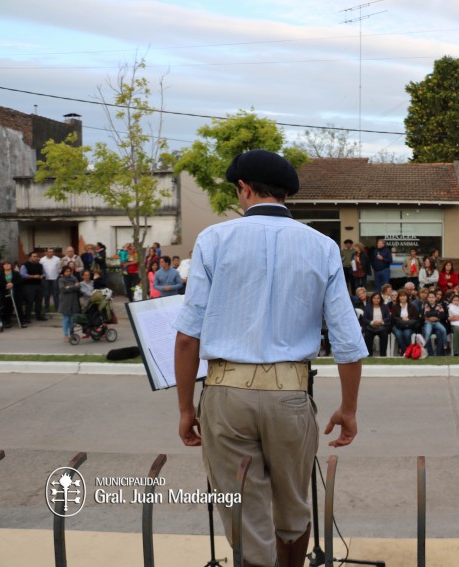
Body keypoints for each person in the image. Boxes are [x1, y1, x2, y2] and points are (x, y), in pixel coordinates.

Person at [173, 149, 366, 567]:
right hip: (290, 396)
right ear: (285, 194)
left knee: (245, 516)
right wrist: (348, 409)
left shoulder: (213, 239)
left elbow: (187, 338)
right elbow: (348, 342)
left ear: (244, 189)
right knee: (294, 510)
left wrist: (186, 408)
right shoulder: (322, 246)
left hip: (226, 395)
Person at [390, 289, 419, 355]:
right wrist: (401, 318)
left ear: (407, 297)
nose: (402, 297)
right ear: (398, 297)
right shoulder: (395, 306)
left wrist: (408, 318)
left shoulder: (412, 306)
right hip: (397, 325)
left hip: (408, 325)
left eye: (404, 296)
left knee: (407, 334)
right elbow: (393, 317)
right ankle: (406, 351)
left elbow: (415, 317)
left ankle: (403, 351)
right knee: (399, 334)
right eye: (401, 296)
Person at [362, 291, 391, 356]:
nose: (376, 300)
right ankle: (369, 355)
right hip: (371, 327)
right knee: (368, 335)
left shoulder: (385, 306)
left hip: (382, 327)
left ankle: (383, 355)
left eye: (378, 298)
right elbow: (364, 318)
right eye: (374, 298)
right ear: (372, 299)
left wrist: (382, 322)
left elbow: (388, 317)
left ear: (380, 299)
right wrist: (372, 322)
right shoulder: (368, 307)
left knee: (384, 335)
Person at [20, 252, 46, 322]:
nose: (36, 258)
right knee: (29, 302)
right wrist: (33, 276)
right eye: (34, 256)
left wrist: (42, 276)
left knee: (39, 301)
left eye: (36, 256)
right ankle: (27, 317)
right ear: (30, 257)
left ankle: (39, 316)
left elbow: (44, 273)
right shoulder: (25, 265)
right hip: (29, 286)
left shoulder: (40, 265)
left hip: (39, 285)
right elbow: (22, 275)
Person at [57, 266, 81, 343]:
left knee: (72, 319)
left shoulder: (74, 278)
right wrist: (73, 286)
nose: (68, 273)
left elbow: (78, 287)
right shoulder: (61, 280)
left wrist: (69, 287)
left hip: (73, 301)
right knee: (66, 318)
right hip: (65, 301)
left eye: (69, 271)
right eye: (66, 271)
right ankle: (66, 335)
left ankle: (72, 334)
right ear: (63, 272)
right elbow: (63, 289)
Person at [421, 292, 448, 356]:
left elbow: (442, 314)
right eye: (430, 297)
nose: (431, 299)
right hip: (428, 322)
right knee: (428, 333)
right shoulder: (426, 305)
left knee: (443, 330)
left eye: (433, 297)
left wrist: (436, 317)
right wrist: (436, 313)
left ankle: (445, 344)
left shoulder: (439, 305)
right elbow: (426, 314)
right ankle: (424, 346)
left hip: (436, 322)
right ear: (427, 299)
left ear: (435, 298)